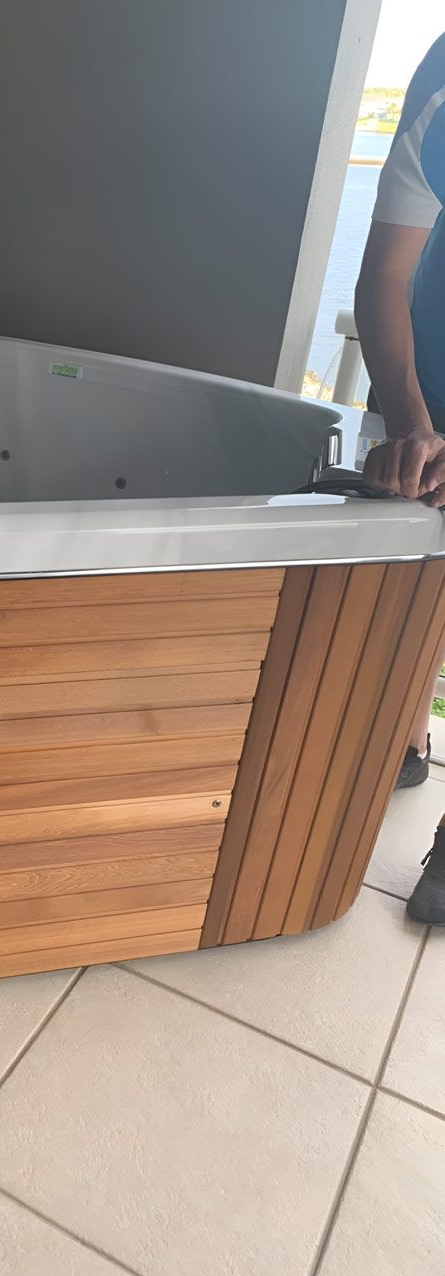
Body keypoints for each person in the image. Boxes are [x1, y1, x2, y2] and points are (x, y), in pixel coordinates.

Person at [356, 33, 445, 922]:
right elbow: (384, 273)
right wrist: (414, 424)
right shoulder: (443, 79)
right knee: (421, 551)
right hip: (435, 367)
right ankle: (406, 738)